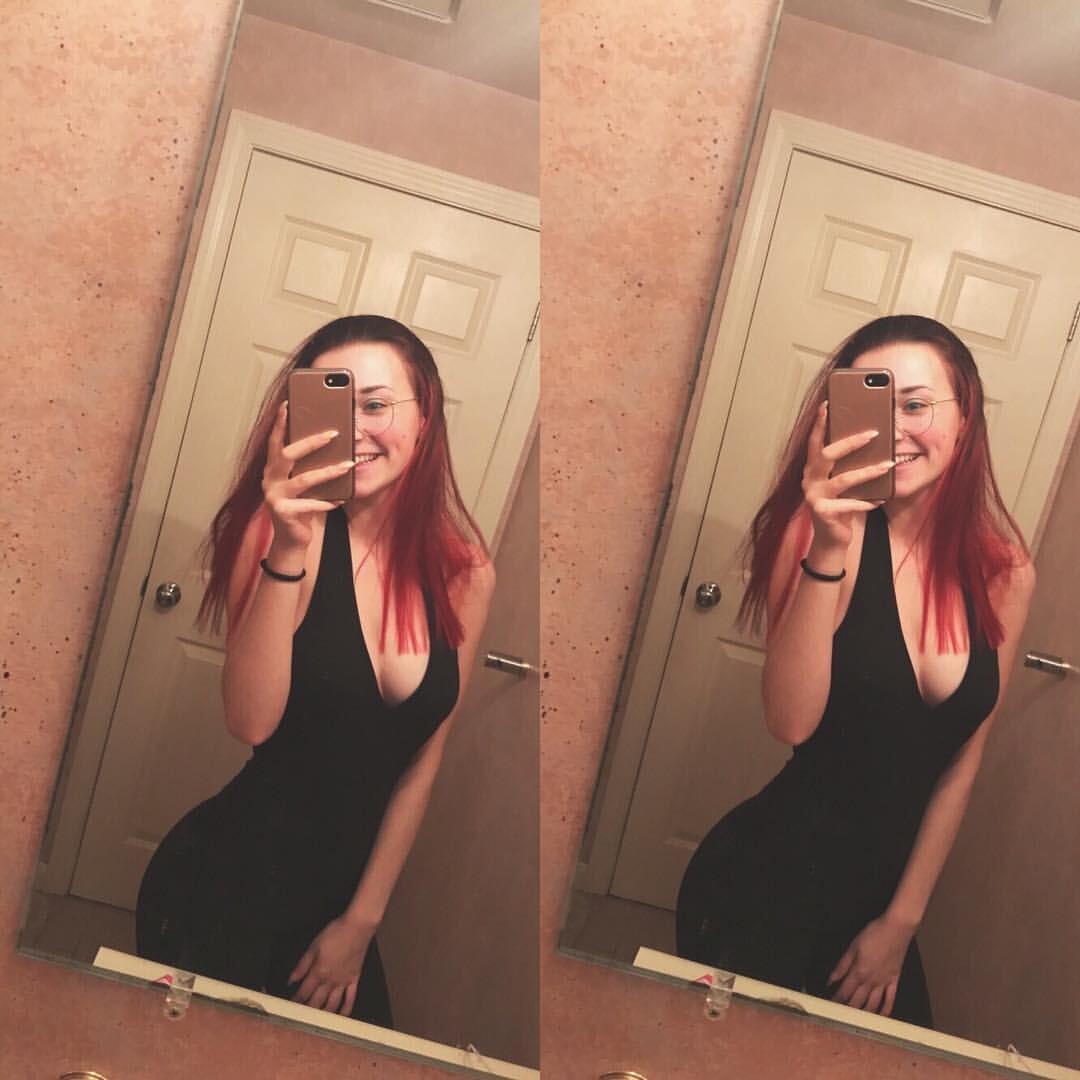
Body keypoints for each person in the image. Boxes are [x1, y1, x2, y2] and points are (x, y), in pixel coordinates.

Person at [675, 315, 1034, 1026]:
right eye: (873, 403)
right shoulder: (818, 535)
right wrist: (830, 542)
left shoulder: (1004, 574)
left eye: (917, 404)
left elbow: (962, 764)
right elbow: (790, 722)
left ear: (965, 417)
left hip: (883, 905)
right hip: (764, 879)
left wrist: (902, 922)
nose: (895, 428)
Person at [136, 315, 495, 1025]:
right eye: (333, 403)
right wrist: (289, 542)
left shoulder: (466, 574)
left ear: (425, 418)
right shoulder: (278, 534)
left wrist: (363, 922)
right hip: (224, 880)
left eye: (376, 403)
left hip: (342, 908)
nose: (356, 428)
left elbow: (422, 762)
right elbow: (250, 722)